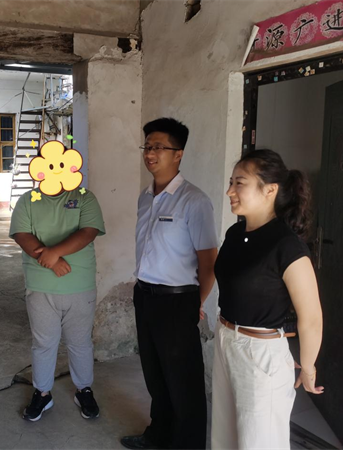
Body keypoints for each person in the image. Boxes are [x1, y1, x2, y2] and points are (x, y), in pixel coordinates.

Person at [211, 149, 323, 449]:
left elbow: (311, 317)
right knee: (224, 436)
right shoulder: (236, 233)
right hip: (226, 339)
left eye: (239, 183)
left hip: (260, 353)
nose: (230, 191)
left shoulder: (287, 246)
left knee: (260, 441)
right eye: (231, 182)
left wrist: (308, 367)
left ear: (270, 190)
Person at [121, 118, 218, 450]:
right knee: (155, 375)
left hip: (177, 300)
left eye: (159, 147)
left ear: (179, 154)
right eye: (147, 146)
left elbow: (209, 261)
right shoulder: (145, 197)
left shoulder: (194, 200)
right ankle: (158, 436)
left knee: (183, 381)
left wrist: (197, 302)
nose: (150, 153)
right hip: (144, 295)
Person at [10, 141, 106, 422]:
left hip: (80, 285)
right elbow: (22, 235)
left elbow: (88, 231)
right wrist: (51, 260)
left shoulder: (85, 198)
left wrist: (54, 253)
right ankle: (42, 393)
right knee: (43, 344)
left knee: (80, 342)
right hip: (41, 287)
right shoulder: (28, 200)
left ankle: (84, 389)